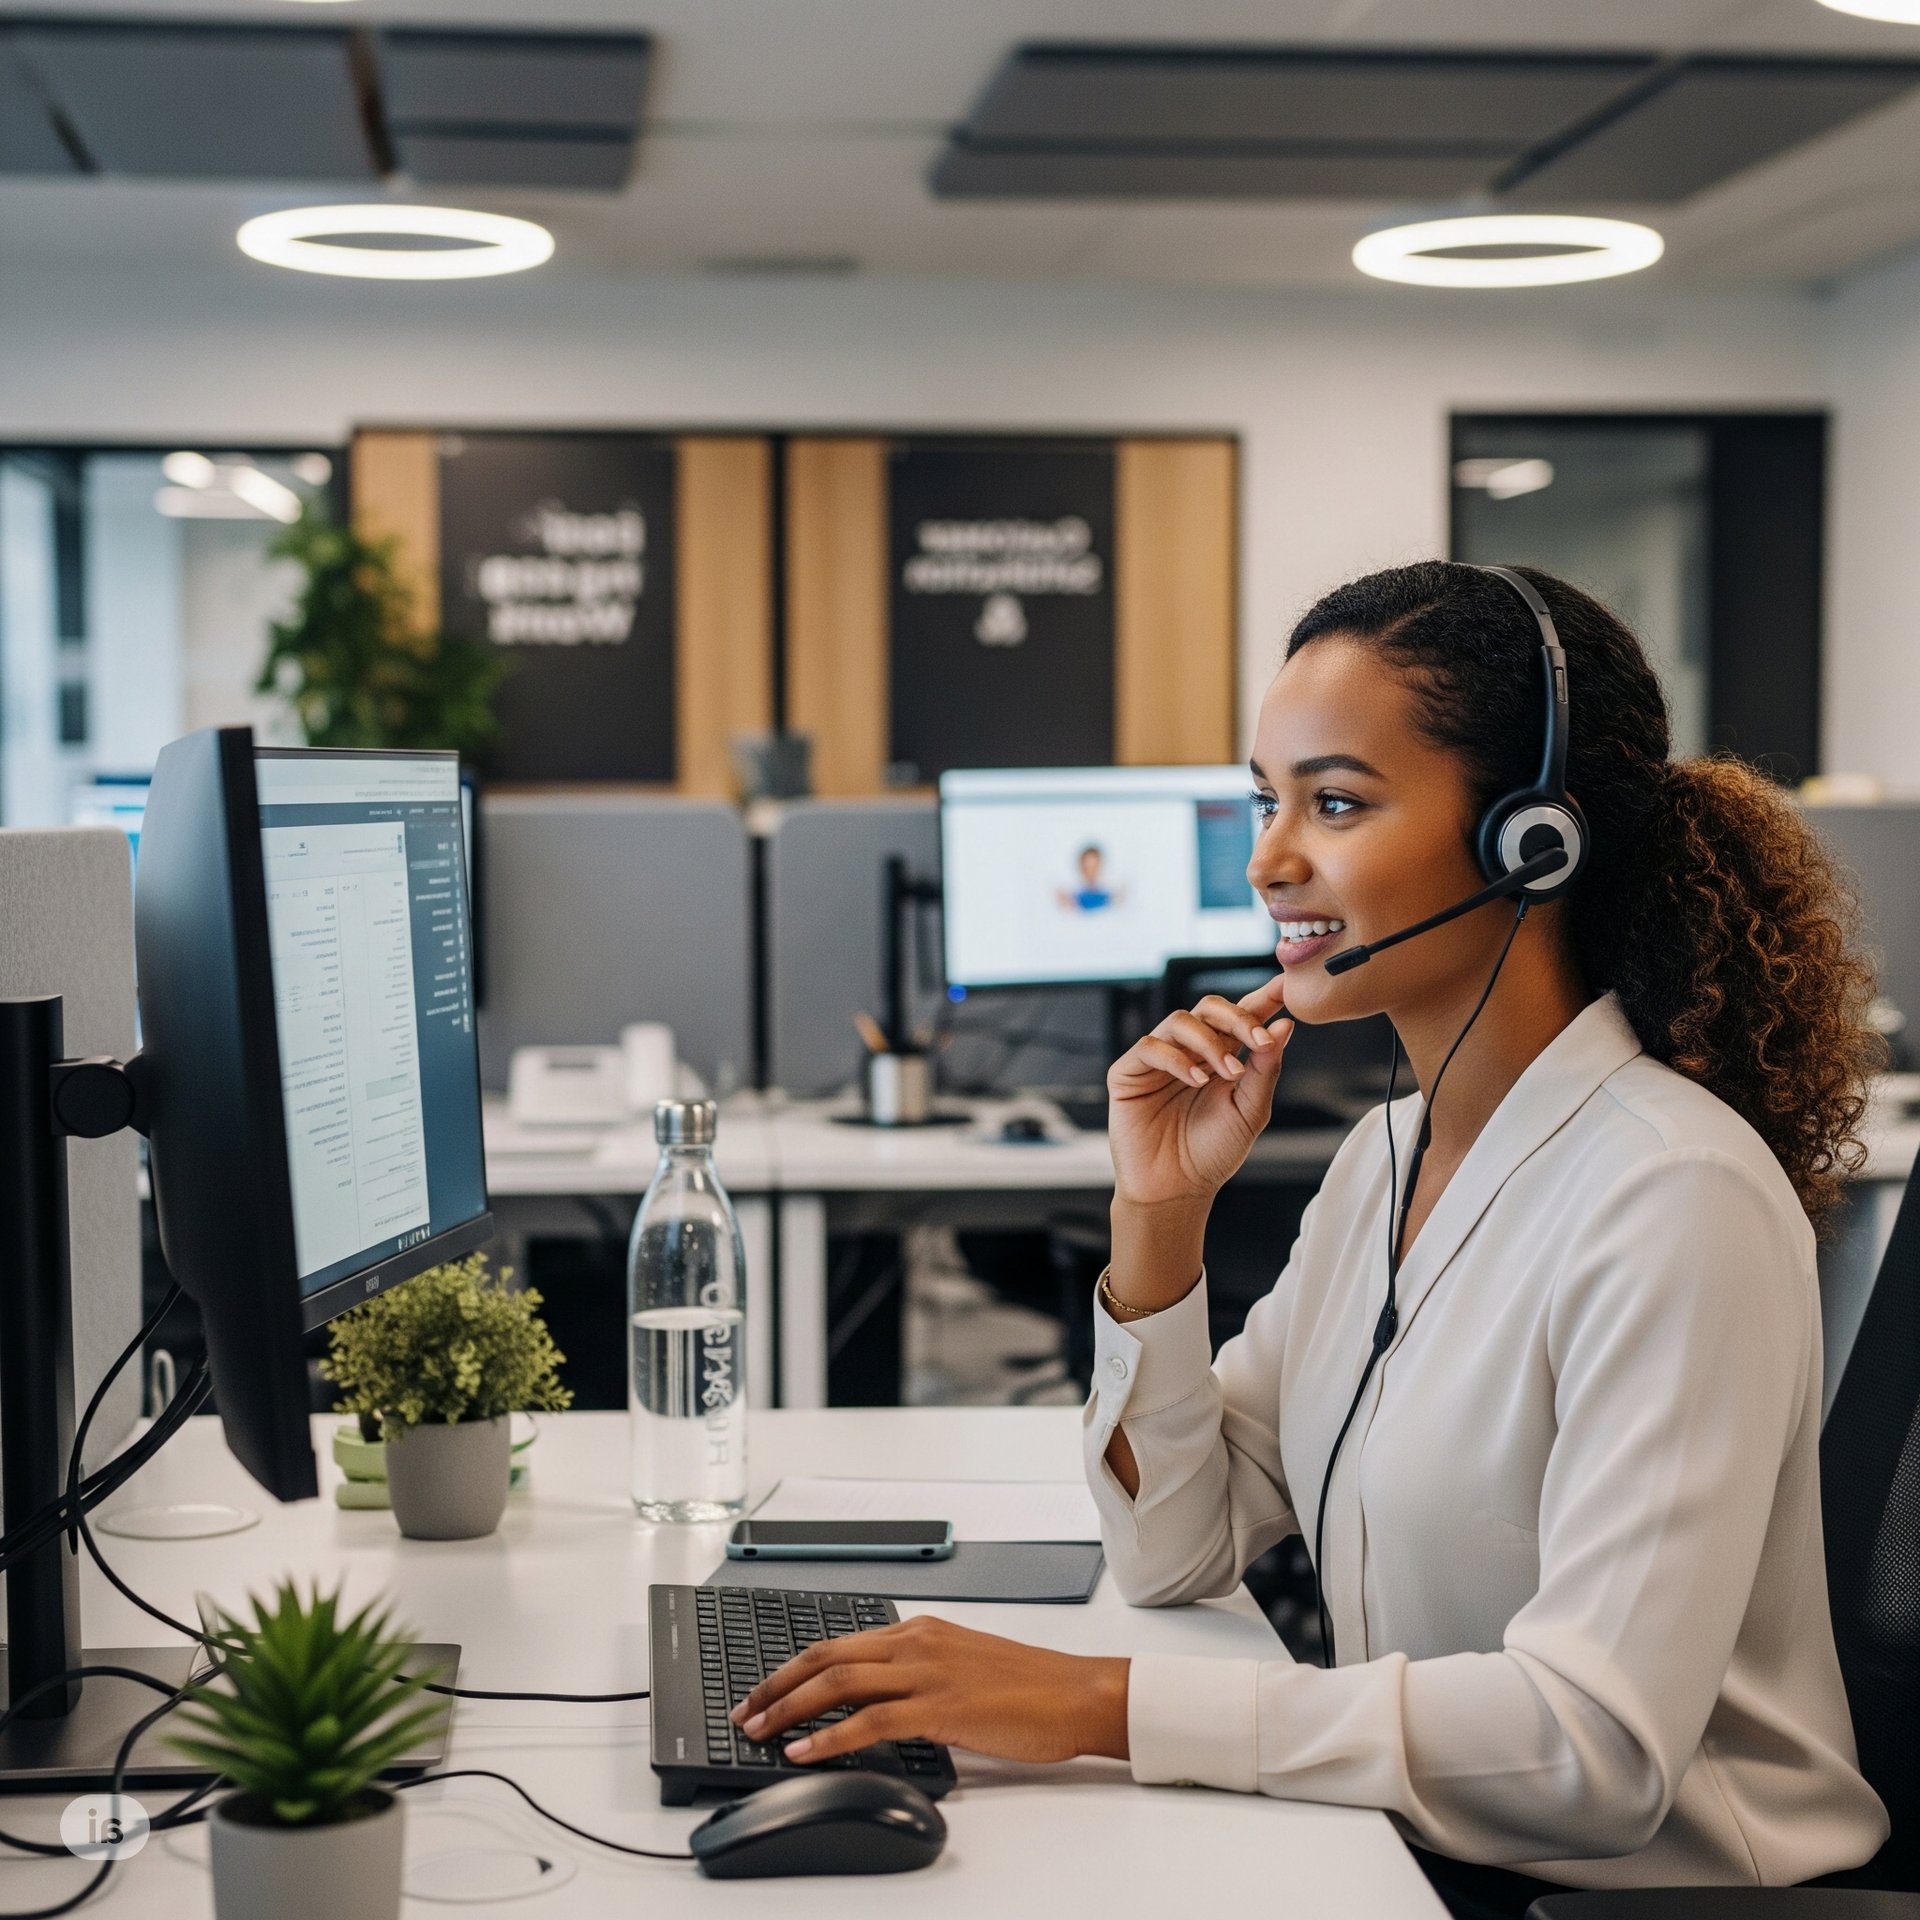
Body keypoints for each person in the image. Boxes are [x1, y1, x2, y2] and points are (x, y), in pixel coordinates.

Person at [731, 562, 1890, 1913]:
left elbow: (1597, 1752)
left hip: (1640, 1901)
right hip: (1416, 1853)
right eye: (1264, 802)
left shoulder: (1671, 1196)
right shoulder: (1383, 1162)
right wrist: (1160, 1215)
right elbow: (1175, 1548)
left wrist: (1095, 1705)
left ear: (1532, 842)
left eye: (1335, 803)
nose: (1267, 861)